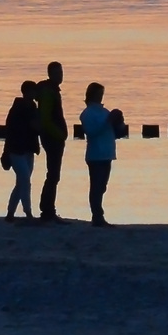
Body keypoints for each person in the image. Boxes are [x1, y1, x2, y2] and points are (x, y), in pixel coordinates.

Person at [77, 82, 119, 226]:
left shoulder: (104, 111)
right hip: (95, 154)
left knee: (102, 186)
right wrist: (108, 121)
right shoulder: (87, 113)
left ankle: (98, 214)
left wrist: (118, 121)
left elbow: (114, 130)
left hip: (107, 153)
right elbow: (91, 131)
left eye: (102, 94)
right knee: (96, 186)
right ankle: (97, 216)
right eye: (99, 94)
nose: (101, 97)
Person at [1, 79, 42, 220]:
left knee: (22, 181)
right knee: (25, 180)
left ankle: (10, 213)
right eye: (34, 91)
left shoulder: (32, 107)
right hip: (16, 150)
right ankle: (28, 212)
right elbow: (12, 130)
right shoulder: (19, 109)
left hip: (28, 150)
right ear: (28, 92)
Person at [34, 61, 67, 220]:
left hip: (53, 138)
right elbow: (46, 119)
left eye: (61, 72)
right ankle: (47, 209)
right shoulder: (48, 92)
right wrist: (60, 135)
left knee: (53, 174)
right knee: (53, 174)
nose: (60, 75)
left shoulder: (51, 90)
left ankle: (47, 208)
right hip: (52, 138)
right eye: (57, 72)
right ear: (50, 74)